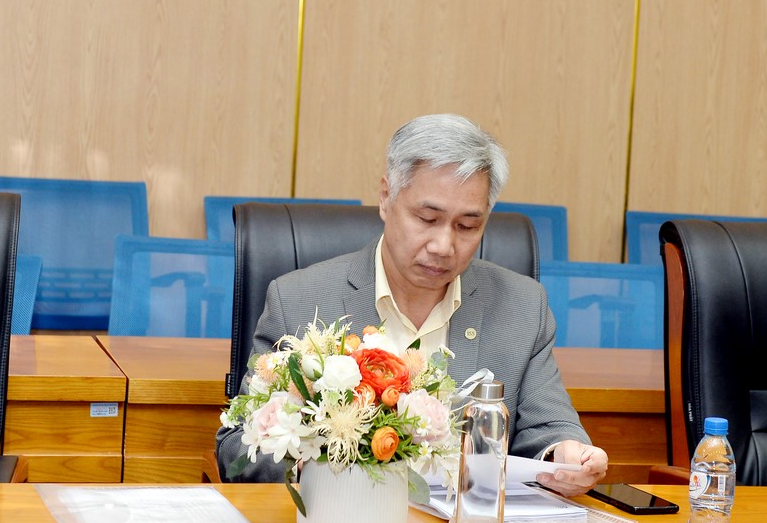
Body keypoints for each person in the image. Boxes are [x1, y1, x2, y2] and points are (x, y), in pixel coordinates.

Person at [216, 113, 608, 495]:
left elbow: (550, 427)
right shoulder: (299, 300)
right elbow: (236, 446)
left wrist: (566, 454)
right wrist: (314, 464)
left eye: (467, 226)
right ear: (386, 198)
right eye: (427, 218)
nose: (444, 246)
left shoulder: (522, 306)